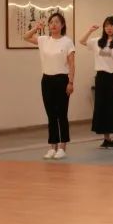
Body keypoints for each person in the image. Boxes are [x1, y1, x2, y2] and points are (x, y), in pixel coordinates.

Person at [22, 12, 76, 159]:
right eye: (51, 22)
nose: (53, 24)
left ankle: (62, 147)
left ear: (62, 25)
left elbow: (72, 64)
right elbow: (26, 37)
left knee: (61, 114)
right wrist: (36, 28)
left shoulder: (67, 41)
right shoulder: (43, 40)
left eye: (57, 22)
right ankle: (52, 146)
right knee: (51, 114)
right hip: (46, 80)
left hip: (62, 79)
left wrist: (71, 82)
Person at [79, 17, 113, 149]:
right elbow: (81, 41)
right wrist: (90, 30)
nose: (109, 28)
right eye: (106, 25)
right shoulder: (98, 41)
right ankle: (106, 138)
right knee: (102, 107)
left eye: (112, 25)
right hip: (101, 77)